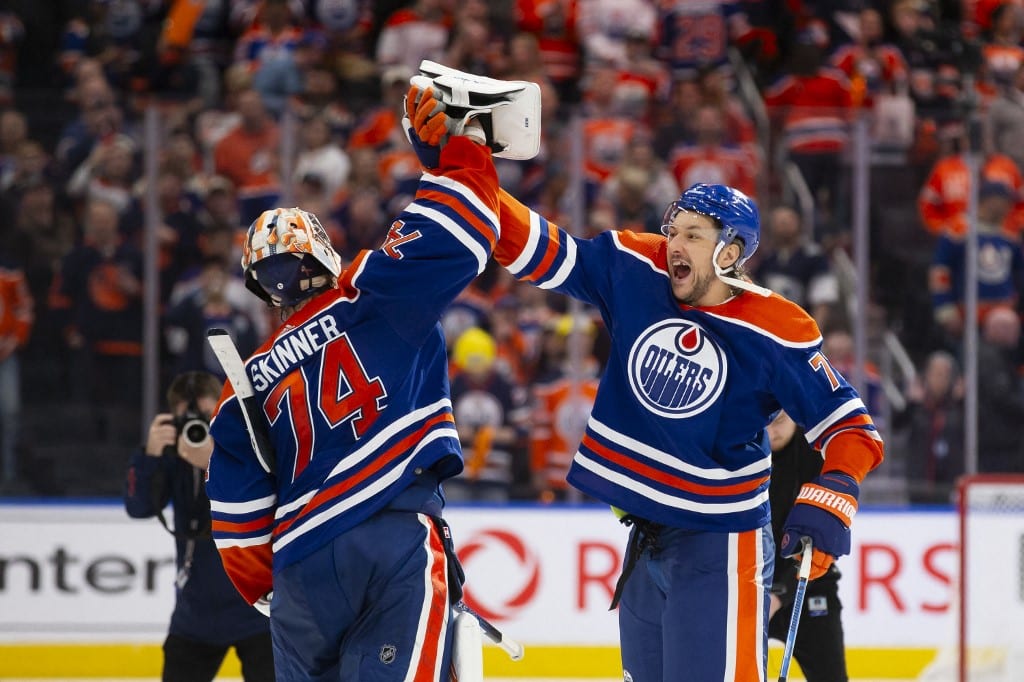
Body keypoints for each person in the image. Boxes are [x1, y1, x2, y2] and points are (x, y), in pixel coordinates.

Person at [489, 178, 884, 680]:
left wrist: (838, 489)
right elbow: (540, 249)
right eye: (673, 231)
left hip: (719, 544)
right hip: (646, 538)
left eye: (694, 235)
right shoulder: (637, 268)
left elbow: (852, 426)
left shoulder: (774, 328)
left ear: (731, 250)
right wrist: (468, 171)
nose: (675, 244)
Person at [205, 85, 502, 679]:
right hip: (391, 536)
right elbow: (466, 234)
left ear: (262, 288)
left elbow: (236, 518)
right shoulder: (368, 291)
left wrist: (278, 588)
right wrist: (456, 159)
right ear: (325, 256)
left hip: (299, 570)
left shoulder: (245, 387)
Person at [123, 371, 273, 682]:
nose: (198, 428)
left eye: (208, 416)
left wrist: (217, 463)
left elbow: (273, 496)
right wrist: (150, 456)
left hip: (258, 609)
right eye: (187, 420)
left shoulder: (249, 448)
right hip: (196, 614)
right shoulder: (172, 457)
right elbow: (140, 508)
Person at [766, 410, 849, 682]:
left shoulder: (817, 457)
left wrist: (780, 594)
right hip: (750, 590)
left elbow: (819, 540)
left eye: (778, 423)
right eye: (763, 424)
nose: (770, 432)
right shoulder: (740, 452)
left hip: (810, 586)